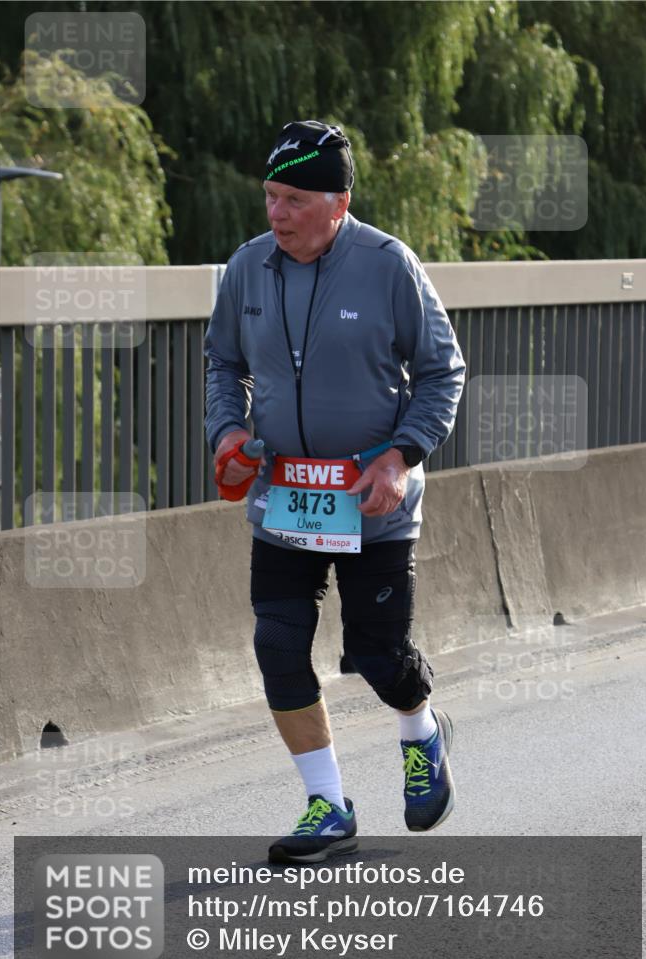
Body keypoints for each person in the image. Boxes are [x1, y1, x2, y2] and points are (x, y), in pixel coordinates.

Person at [204, 120, 466, 864]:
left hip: (372, 502)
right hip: (283, 500)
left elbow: (443, 371)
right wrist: (227, 431)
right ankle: (328, 806)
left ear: (338, 203)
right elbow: (223, 363)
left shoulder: (389, 265)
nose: (277, 213)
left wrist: (400, 458)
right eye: (270, 196)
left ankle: (422, 732)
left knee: (379, 658)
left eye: (294, 199)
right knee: (278, 646)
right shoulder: (247, 268)